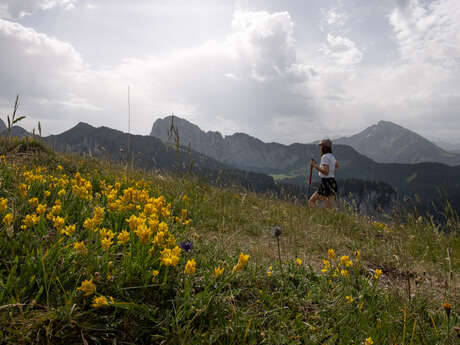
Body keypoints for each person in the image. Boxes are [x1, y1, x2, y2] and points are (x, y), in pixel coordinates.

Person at [308, 138, 338, 208]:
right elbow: (337, 166)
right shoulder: (331, 156)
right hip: (332, 182)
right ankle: (330, 218)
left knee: (311, 201)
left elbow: (325, 172)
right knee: (329, 207)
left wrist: (314, 165)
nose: (320, 148)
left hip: (326, 182)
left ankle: (315, 217)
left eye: (321, 146)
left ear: (324, 147)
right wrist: (332, 173)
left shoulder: (324, 157)